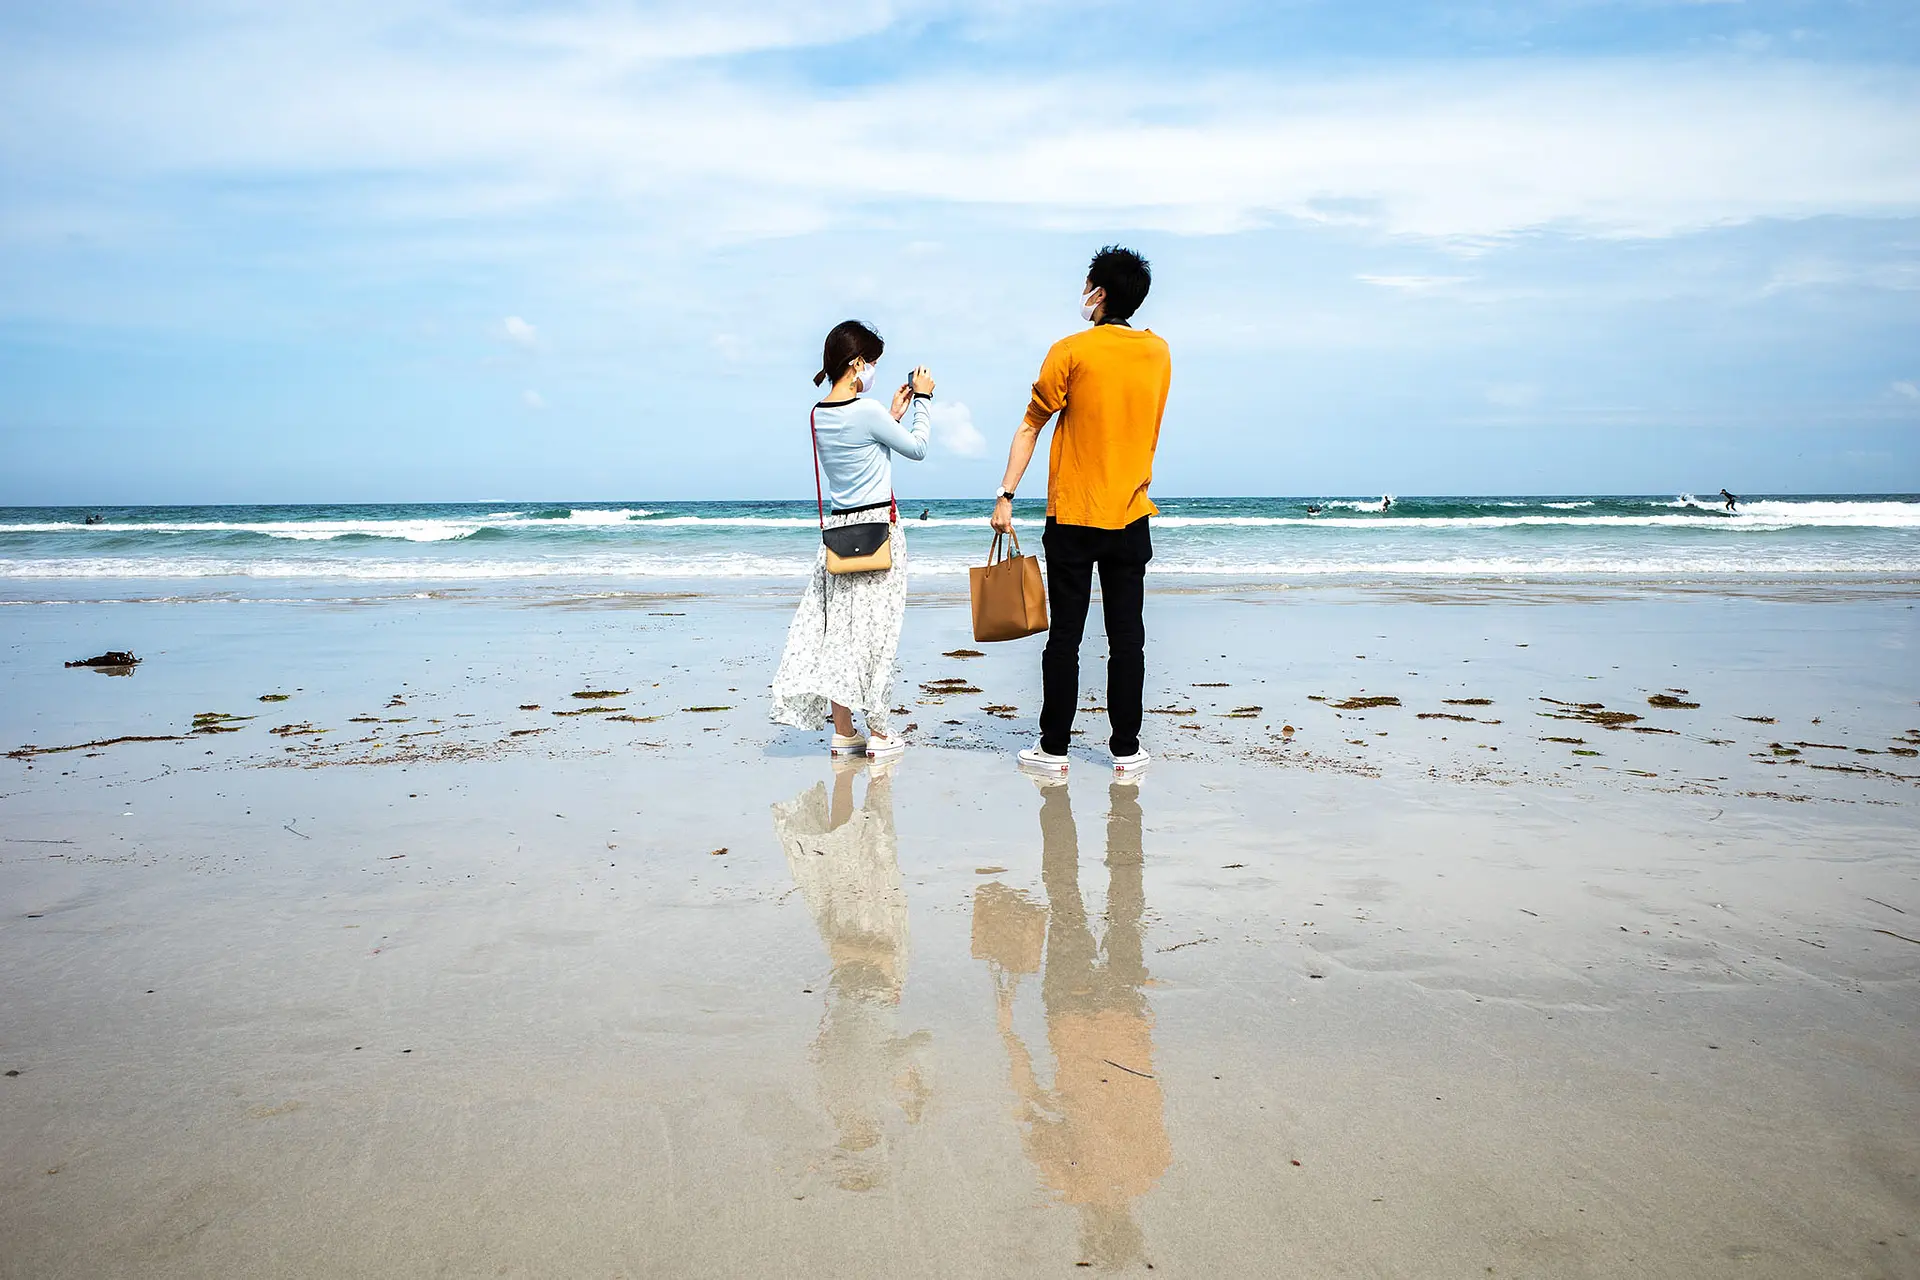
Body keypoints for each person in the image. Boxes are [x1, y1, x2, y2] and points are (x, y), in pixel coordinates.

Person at [990, 246, 1170, 778]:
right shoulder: (1159, 352)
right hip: (1131, 513)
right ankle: (1126, 750)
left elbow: (1031, 424)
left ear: (1100, 292)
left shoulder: (1069, 350)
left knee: (1065, 637)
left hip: (1072, 514)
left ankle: (1054, 749)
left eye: (1088, 286)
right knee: (1127, 637)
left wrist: (1006, 495)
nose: (1083, 294)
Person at [771, 320, 934, 758]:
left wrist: (890, 417)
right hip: (880, 532)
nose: (874, 369)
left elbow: (858, 451)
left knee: (839, 635)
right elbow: (917, 448)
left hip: (840, 537)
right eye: (872, 361)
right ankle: (879, 733)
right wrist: (923, 400)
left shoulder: (818, 414)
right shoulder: (867, 411)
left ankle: (844, 731)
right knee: (878, 635)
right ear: (858, 363)